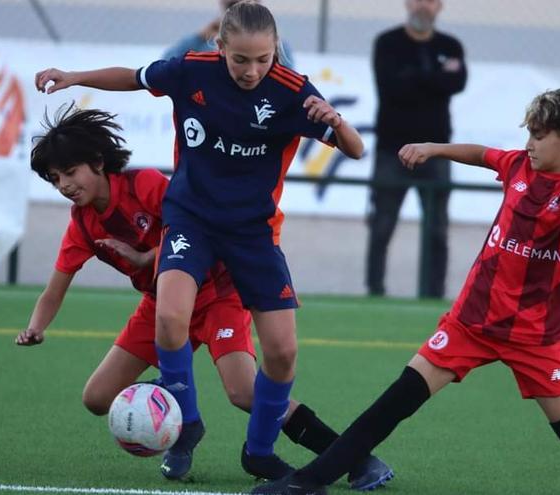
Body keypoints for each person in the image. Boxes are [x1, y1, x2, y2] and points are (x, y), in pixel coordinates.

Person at [252, 88, 560, 495]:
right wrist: (433, 149)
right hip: (471, 322)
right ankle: (305, 484)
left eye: (540, 135)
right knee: (392, 404)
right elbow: (482, 154)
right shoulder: (521, 165)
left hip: (535, 336)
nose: (529, 143)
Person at [34, 0, 368, 486]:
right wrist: (74, 76)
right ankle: (185, 422)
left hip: (249, 237)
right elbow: (132, 75)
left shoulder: (293, 92)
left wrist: (335, 122)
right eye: (240, 59)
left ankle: (268, 451)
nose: (252, 70)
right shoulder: (191, 71)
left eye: (263, 59)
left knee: (279, 356)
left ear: (277, 50)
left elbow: (356, 151)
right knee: (167, 317)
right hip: (192, 222)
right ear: (219, 48)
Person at [365, 0, 466, 298]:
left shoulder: (451, 44)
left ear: (440, 7)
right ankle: (375, 290)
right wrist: (436, 76)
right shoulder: (387, 43)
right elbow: (392, 88)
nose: (424, 6)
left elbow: (457, 83)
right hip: (391, 150)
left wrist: (414, 75)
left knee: (437, 229)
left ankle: (434, 293)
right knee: (382, 225)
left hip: (436, 152)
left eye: (431, 1)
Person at [163, 0, 295, 70]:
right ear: (221, 46)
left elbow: (289, 84)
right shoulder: (205, 40)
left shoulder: (275, 44)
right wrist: (199, 37)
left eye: (262, 59)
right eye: (231, 6)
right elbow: (165, 64)